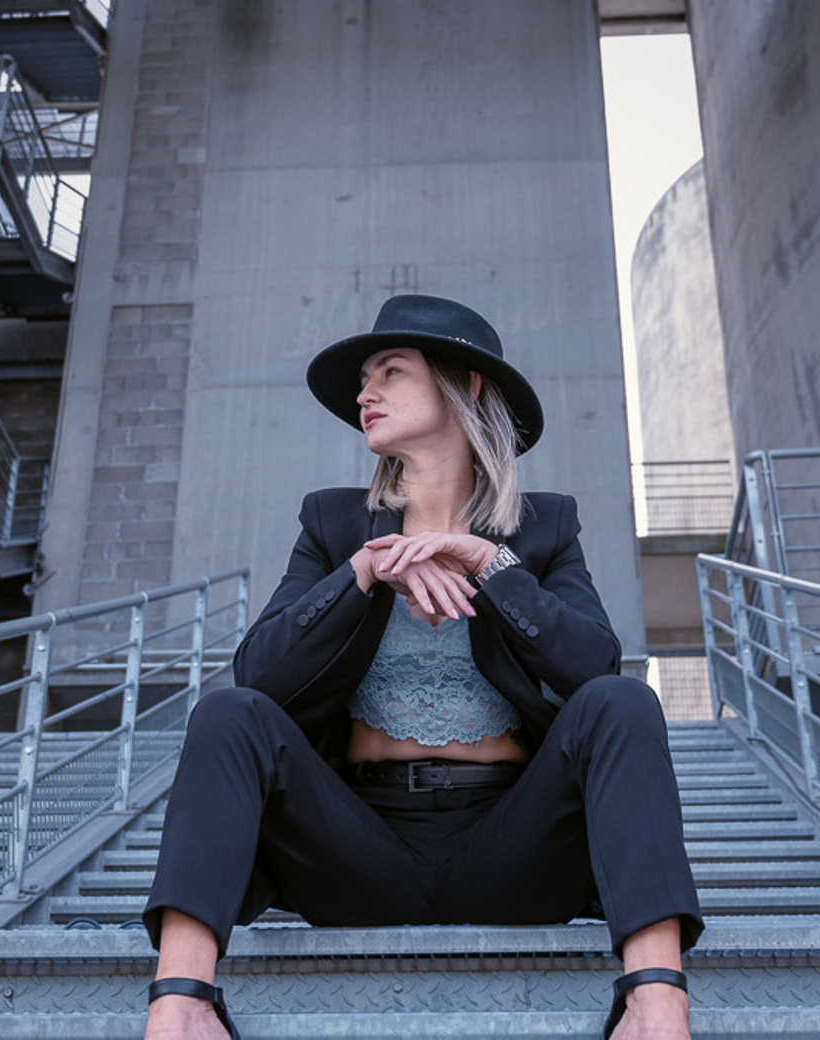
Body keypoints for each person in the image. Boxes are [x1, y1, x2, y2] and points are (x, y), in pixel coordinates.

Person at [142, 295, 703, 1040]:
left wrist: (495, 567)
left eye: (390, 372)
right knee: (225, 714)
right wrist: (362, 574)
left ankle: (655, 998)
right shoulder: (334, 522)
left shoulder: (544, 528)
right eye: (364, 379)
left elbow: (592, 664)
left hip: (513, 850)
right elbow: (261, 676)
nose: (363, 393)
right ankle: (181, 1001)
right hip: (358, 849)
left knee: (624, 703)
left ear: (466, 385)